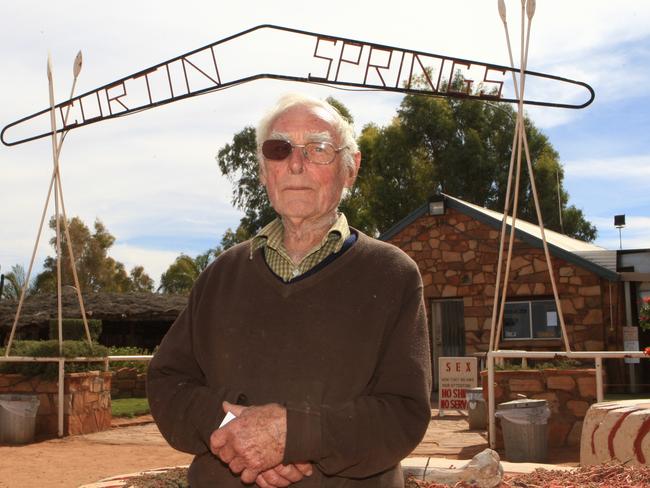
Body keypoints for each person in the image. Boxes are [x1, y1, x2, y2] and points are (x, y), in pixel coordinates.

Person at [147, 93, 432, 488]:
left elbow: (403, 414)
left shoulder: (392, 275)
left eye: (318, 148)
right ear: (264, 171)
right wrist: (237, 432)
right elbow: (167, 383)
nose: (296, 164)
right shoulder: (220, 275)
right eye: (279, 149)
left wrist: (293, 438)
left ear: (351, 168)